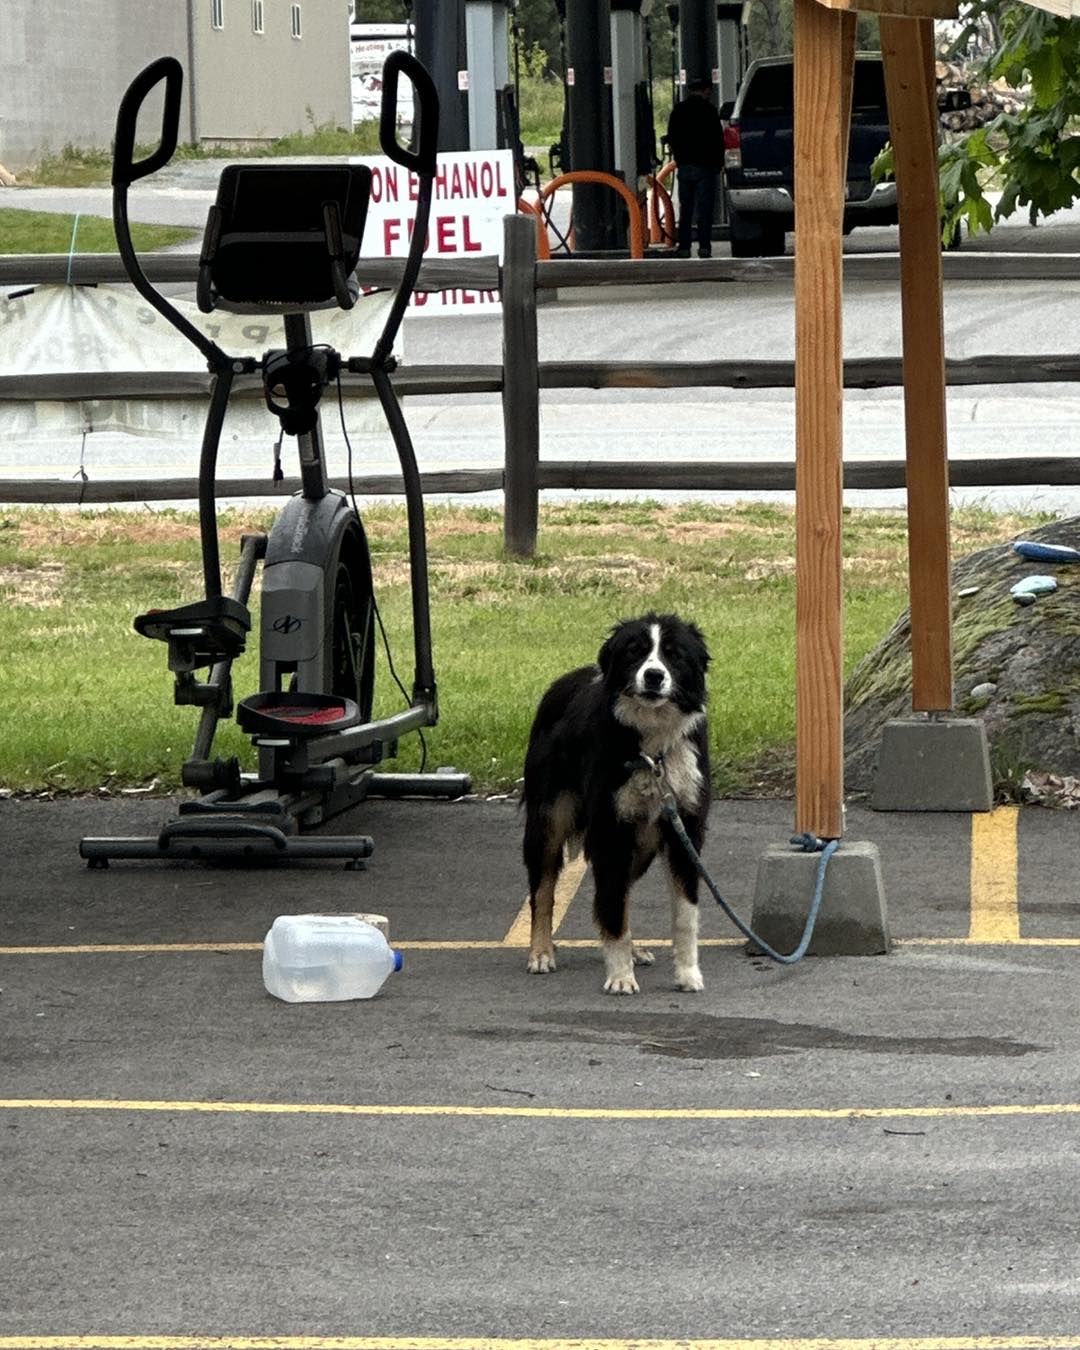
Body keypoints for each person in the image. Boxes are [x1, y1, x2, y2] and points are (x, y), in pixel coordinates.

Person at [666, 78, 724, 258]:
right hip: (706, 167)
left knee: (686, 209)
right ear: (706, 91)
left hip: (685, 167)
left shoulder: (679, 110)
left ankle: (684, 247)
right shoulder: (710, 110)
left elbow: (672, 137)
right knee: (704, 209)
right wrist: (718, 164)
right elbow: (717, 139)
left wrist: (679, 158)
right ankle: (704, 247)